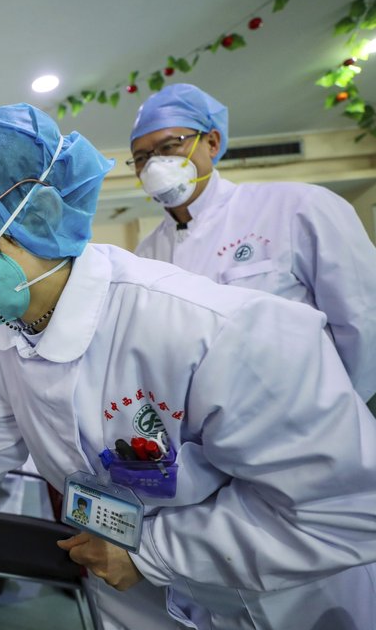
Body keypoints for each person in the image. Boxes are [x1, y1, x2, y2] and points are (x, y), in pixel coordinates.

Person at [0, 103, 376, 630]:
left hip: (271, 611)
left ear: (36, 216)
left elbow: (343, 509)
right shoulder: (3, 328)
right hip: (131, 602)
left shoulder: (214, 328)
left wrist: (152, 554)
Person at [129, 83, 376, 404]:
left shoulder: (297, 207)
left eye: (169, 146)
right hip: (210, 436)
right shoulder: (145, 256)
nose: (155, 164)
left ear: (212, 142)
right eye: (142, 157)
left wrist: (337, 413)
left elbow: (364, 319)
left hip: (313, 421)